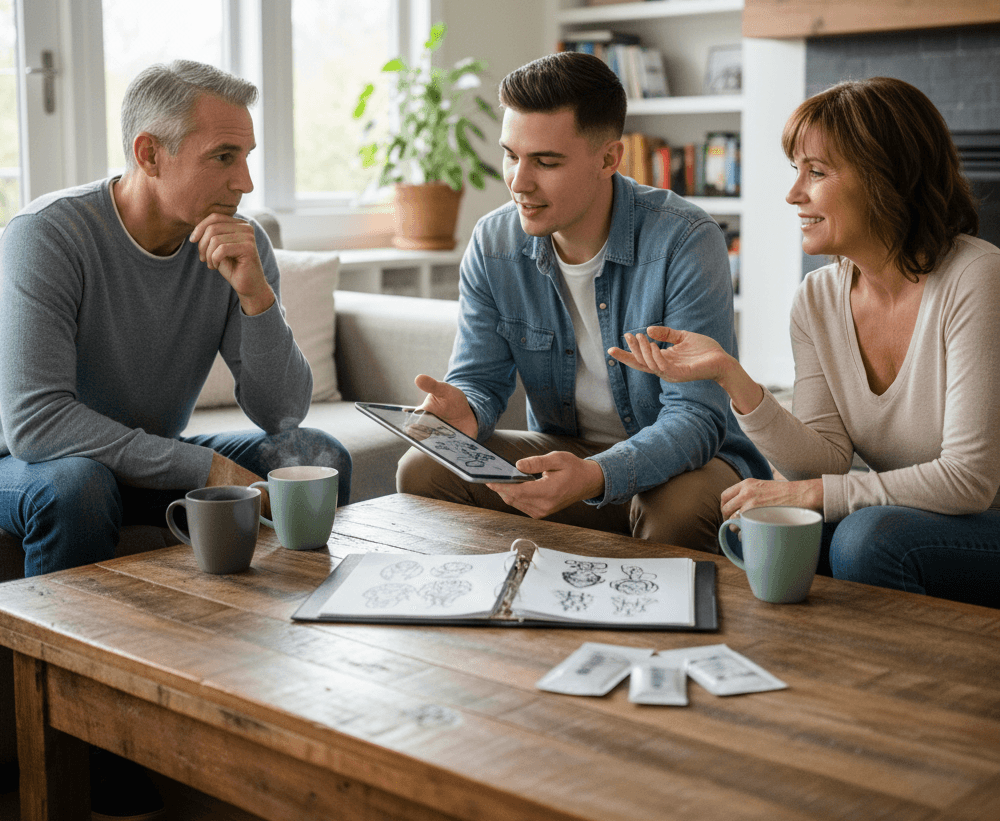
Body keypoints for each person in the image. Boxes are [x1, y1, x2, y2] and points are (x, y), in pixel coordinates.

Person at [0, 59, 352, 821]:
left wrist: (255, 294)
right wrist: (200, 465)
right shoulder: (49, 234)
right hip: (10, 465)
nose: (245, 180)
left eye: (247, 157)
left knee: (311, 455)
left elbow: (284, 414)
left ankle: (282, 695)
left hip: (135, 450)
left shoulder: (234, 244)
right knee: (77, 485)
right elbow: (39, 424)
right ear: (149, 153)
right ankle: (87, 744)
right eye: (224, 157)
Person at [611, 76, 1000, 608]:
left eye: (815, 172)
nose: (794, 193)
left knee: (868, 538)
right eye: (797, 171)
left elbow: (969, 481)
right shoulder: (817, 299)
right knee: (774, 530)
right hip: (922, 518)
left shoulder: (978, 277)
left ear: (888, 177)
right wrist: (732, 376)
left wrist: (812, 494)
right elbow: (824, 461)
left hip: (987, 521)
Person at [397, 51, 770, 551]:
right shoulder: (494, 243)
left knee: (678, 512)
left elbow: (697, 419)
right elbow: (480, 379)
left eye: (546, 162)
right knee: (424, 468)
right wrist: (465, 409)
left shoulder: (685, 240)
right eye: (511, 154)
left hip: (683, 465)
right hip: (566, 453)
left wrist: (597, 474)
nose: (518, 182)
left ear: (609, 159)